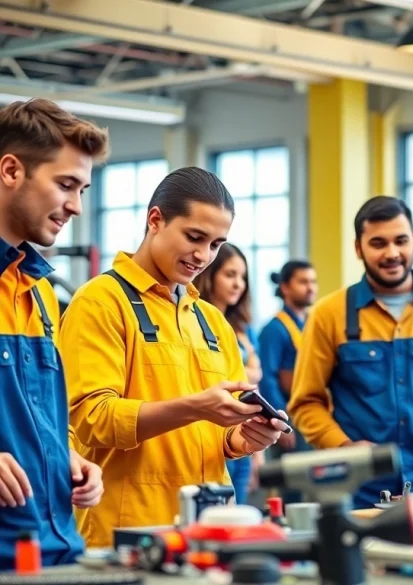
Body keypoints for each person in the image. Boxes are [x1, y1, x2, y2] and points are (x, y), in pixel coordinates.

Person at [58, 167, 289, 547]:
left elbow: (218, 434)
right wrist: (196, 407)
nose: (203, 256)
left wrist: (243, 439)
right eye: (194, 237)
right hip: (129, 533)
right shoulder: (99, 303)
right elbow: (90, 420)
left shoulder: (212, 322)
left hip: (211, 532)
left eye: (216, 244)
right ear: (155, 220)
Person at [289, 196, 413, 509]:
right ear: (358, 248)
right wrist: (346, 447)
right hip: (357, 486)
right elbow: (305, 402)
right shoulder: (328, 314)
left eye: (401, 241)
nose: (392, 253)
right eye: (378, 243)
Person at [0, 98, 107, 568]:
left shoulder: (39, 291)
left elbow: (34, 415)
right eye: (65, 185)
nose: (76, 206)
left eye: (82, 189)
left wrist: (65, 455)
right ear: (10, 171)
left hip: (57, 551)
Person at [193, 243, 264, 505]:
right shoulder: (194, 322)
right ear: (210, 276)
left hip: (241, 433)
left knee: (239, 510)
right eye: (230, 275)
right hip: (210, 432)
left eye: (242, 277)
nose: (238, 284)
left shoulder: (244, 329)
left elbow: (254, 388)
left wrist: (257, 451)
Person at [258, 260, 318, 421]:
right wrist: (279, 418)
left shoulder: (311, 324)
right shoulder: (274, 329)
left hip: (313, 411)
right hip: (289, 415)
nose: (310, 288)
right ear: (285, 287)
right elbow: (267, 378)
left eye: (313, 281)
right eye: (303, 282)